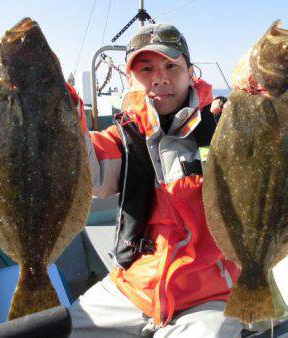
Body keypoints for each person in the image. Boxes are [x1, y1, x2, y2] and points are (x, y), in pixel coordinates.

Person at [67, 23, 242, 338]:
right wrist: (66, 117)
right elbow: (88, 177)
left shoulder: (223, 131)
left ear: (191, 73)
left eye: (171, 66)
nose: (159, 77)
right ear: (131, 79)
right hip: (133, 287)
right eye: (146, 68)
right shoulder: (122, 137)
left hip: (207, 297)